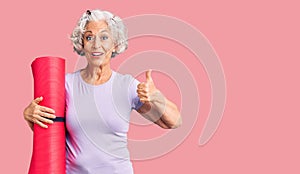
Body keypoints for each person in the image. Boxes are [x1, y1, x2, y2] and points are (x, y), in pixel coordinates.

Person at [23, 9, 182, 174]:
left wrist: (157, 97)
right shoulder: (65, 84)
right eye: (89, 37)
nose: (96, 45)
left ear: (115, 45)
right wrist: (29, 115)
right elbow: (50, 134)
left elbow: (174, 121)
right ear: (82, 44)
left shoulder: (125, 86)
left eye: (104, 37)